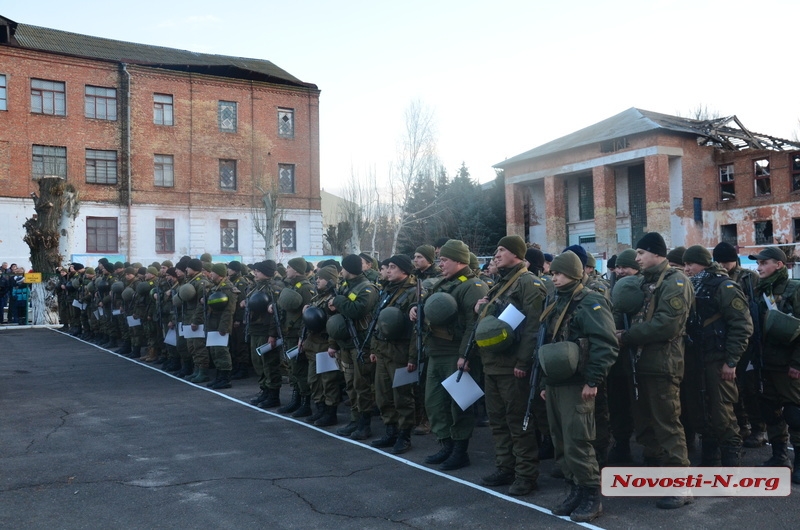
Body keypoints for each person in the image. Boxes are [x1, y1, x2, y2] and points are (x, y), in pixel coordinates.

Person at [617, 232, 694, 509]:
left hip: (662, 365)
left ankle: (681, 487)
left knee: (667, 424)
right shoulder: (643, 282)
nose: (636, 259)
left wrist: (625, 336)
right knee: (644, 424)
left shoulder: (675, 281)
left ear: (655, 253)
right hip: (640, 365)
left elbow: (666, 325)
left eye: (640, 253)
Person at [539, 250, 617, 522]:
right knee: (561, 441)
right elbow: (546, 345)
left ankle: (591, 496)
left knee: (579, 441)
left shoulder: (590, 301)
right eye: (552, 273)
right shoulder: (554, 301)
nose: (554, 278)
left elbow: (605, 344)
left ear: (573, 273)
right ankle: (573, 489)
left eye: (558, 273)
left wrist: (593, 380)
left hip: (578, 383)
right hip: (557, 382)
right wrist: (544, 381)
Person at [473, 236, 546, 496]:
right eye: (497, 248)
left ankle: (526, 474)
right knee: (497, 421)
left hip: (512, 365)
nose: (496, 253)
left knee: (518, 422)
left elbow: (534, 328)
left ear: (516, 254)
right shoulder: (500, 283)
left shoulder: (528, 283)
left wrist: (523, 361)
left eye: (502, 249)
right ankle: (505, 467)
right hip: (493, 364)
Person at [412, 239, 488, 470]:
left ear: (458, 261)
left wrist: (465, 355)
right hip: (435, 351)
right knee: (435, 403)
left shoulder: (473, 286)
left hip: (454, 352)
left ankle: (459, 450)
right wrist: (415, 310)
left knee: (458, 406)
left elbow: (472, 325)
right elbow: (430, 307)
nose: (440, 264)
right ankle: (445, 444)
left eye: (444, 260)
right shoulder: (442, 283)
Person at [682, 245, 753, 466]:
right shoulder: (692, 286)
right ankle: (710, 459)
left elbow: (742, 325)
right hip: (697, 358)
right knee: (699, 412)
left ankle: (732, 463)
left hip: (718, 358)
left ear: (702, 263)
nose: (686, 269)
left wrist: (731, 361)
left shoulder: (725, 286)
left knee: (722, 413)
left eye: (690, 264)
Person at [748, 246, 800, 484]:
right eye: (758, 263)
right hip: (765, 362)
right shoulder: (760, 291)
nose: (759, 267)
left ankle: (799, 462)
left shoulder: (794, 289)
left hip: (788, 364)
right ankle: (779, 456)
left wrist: (797, 362)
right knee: (769, 409)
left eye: (764, 262)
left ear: (778, 265)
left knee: (794, 413)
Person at [713, 241, 767, 448]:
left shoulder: (748, 277)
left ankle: (758, 429)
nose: (724, 266)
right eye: (721, 262)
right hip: (725, 340)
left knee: (751, 388)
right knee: (732, 388)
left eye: (727, 262)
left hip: (748, 340)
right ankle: (742, 426)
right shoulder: (717, 277)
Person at [368, 254, 419, 454]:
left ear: (404, 271)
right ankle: (391, 430)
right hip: (383, 351)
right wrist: (374, 348)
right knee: (383, 395)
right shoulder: (386, 291)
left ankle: (404, 435)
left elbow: (416, 331)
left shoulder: (414, 293)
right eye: (387, 266)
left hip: (401, 352)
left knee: (402, 397)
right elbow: (377, 323)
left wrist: (413, 358)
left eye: (392, 267)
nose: (388, 270)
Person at [330, 254, 379, 439]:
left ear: (348, 269)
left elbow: (357, 310)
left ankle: (364, 424)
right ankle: (354, 419)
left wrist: (338, 302)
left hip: (361, 343)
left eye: (343, 268)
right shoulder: (345, 286)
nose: (341, 272)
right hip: (346, 343)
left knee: (362, 384)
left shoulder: (367, 288)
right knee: (350, 383)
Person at [302, 265, 342, 427]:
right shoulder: (316, 299)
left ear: (330, 280)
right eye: (317, 277)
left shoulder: (333, 300)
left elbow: (335, 326)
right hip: (313, 344)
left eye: (321, 278)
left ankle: (330, 412)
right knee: (314, 380)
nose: (317, 280)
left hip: (325, 345)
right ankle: (320, 407)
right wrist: (302, 339)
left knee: (329, 380)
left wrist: (333, 345)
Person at [275, 257, 316, 417]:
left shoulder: (306, 288)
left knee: (300, 369)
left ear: (297, 270)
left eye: (289, 267)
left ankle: (305, 403)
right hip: (290, 333)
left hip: (298, 335)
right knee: (293, 369)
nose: (286, 270)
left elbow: (308, 316)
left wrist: (302, 337)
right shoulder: (293, 286)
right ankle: (296, 399)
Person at [247, 260, 284, 409]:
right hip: (256, 329)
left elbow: (275, 315)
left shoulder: (274, 289)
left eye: (258, 271)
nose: (255, 273)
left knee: (269, 364)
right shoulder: (256, 287)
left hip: (266, 330)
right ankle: (265, 390)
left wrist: (272, 334)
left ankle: (273, 395)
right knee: (258, 362)